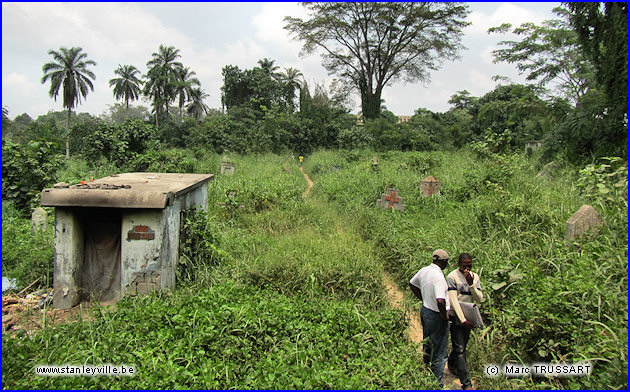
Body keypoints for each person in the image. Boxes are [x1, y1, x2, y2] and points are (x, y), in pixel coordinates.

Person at [409, 249, 451, 388]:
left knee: (428, 343)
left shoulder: (424, 270)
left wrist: (423, 299)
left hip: (426, 311)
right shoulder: (439, 277)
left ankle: (426, 372)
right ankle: (436, 384)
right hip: (436, 315)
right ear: (444, 262)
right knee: (440, 351)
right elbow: (440, 300)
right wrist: (443, 315)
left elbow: (412, 284)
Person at [446, 253, 483, 390]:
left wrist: (471, 284)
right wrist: (462, 319)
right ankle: (466, 383)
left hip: (469, 315)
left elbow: (479, 299)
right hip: (457, 316)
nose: (467, 268)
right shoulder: (452, 277)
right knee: (461, 349)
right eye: (464, 265)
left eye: (469, 265)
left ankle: (451, 363)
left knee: (461, 345)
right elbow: (453, 300)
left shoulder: (475, 277)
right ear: (458, 264)